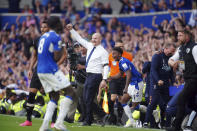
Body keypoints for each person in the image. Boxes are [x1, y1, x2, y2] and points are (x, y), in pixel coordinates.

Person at [66, 24, 109, 126]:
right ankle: (101, 114)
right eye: (93, 38)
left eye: (96, 38)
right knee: (86, 98)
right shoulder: (89, 46)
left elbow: (106, 66)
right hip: (89, 75)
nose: (93, 40)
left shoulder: (103, 51)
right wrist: (72, 30)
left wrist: (104, 79)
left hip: (96, 75)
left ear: (100, 39)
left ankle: (89, 120)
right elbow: (79, 39)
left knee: (87, 98)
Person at [37, 16, 75, 131]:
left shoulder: (43, 36)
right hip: (50, 70)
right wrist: (61, 45)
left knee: (54, 96)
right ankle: (59, 123)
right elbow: (56, 56)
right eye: (60, 23)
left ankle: (44, 126)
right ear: (57, 24)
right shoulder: (56, 37)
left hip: (40, 70)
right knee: (71, 92)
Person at [20, 20, 50, 127]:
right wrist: (30, 68)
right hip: (38, 69)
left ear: (49, 28)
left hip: (49, 69)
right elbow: (34, 55)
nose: (42, 29)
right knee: (31, 94)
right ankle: (28, 120)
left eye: (45, 27)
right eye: (41, 27)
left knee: (52, 96)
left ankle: (54, 122)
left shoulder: (52, 40)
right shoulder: (37, 40)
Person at [167, 29, 197, 131]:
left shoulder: (194, 47)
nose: (178, 38)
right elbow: (171, 59)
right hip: (188, 80)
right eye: (178, 35)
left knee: (181, 99)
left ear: (187, 36)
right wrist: (173, 63)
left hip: (195, 79)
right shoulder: (181, 49)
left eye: (180, 35)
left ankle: (176, 127)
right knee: (191, 104)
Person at [108, 47, 143, 127]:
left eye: (114, 54)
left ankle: (152, 113)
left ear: (119, 54)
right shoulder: (120, 62)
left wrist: (126, 87)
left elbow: (129, 74)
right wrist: (111, 77)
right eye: (112, 54)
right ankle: (131, 121)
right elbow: (120, 74)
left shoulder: (123, 62)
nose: (113, 56)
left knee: (135, 106)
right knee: (123, 101)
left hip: (136, 84)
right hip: (132, 84)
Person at [144, 43, 176, 128]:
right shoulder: (157, 56)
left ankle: (164, 123)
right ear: (166, 48)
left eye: (173, 52)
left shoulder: (171, 58)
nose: (172, 53)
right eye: (171, 51)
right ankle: (146, 122)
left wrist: (173, 82)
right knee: (153, 102)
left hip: (166, 84)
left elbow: (171, 73)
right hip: (155, 83)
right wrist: (158, 80)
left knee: (165, 105)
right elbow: (153, 70)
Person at [108, 41, 133, 125]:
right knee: (112, 97)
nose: (121, 47)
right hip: (113, 78)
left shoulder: (128, 56)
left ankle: (119, 119)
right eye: (119, 46)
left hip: (123, 79)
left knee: (121, 99)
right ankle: (111, 116)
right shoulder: (111, 56)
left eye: (122, 46)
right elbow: (108, 66)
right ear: (115, 46)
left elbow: (128, 69)